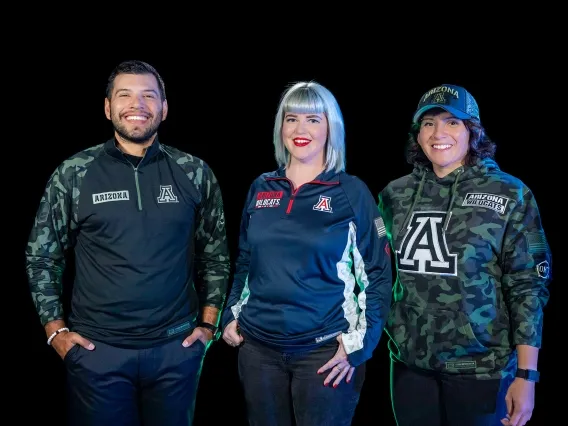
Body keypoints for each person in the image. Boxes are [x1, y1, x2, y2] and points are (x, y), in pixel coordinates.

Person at [25, 60, 230, 426]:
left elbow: (215, 255)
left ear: (164, 109)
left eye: (149, 96)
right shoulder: (75, 172)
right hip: (96, 353)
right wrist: (55, 332)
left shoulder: (193, 171)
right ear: (107, 107)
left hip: (176, 350)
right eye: (125, 95)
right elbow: (42, 256)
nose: (137, 104)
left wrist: (208, 328)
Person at [378, 84, 552, 426]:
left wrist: (527, 375)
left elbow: (528, 288)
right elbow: (375, 269)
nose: (438, 133)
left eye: (452, 122)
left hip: (481, 370)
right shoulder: (394, 195)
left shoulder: (510, 194)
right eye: (428, 123)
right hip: (410, 367)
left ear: (473, 131)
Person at [220, 81, 393, 426]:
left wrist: (360, 345)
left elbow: (378, 272)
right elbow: (245, 260)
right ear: (280, 127)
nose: (300, 129)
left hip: (324, 353)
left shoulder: (352, 192)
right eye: (291, 118)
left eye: (313, 120)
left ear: (331, 127)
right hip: (257, 350)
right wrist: (229, 315)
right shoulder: (261, 187)